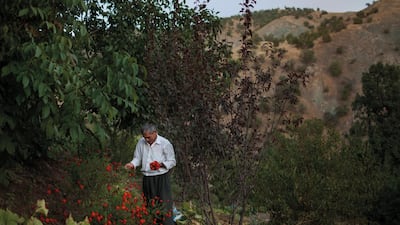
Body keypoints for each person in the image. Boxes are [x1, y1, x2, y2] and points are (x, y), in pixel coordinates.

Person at [124, 123, 176, 225]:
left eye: (148, 137)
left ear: (155, 133)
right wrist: (132, 164)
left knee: (164, 204)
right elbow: (137, 158)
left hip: (161, 178)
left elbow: (172, 161)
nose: (146, 139)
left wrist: (160, 165)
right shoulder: (141, 142)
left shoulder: (165, 143)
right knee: (149, 204)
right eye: (145, 137)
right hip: (147, 178)